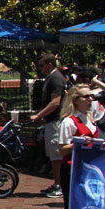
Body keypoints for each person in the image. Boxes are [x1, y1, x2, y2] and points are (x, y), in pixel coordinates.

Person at [30, 54, 68, 198]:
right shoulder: (51, 78)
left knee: (57, 155)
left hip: (57, 121)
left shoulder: (56, 78)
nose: (40, 69)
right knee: (52, 155)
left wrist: (39, 115)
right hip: (50, 121)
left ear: (50, 64)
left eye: (41, 65)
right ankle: (56, 183)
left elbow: (56, 102)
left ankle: (60, 185)